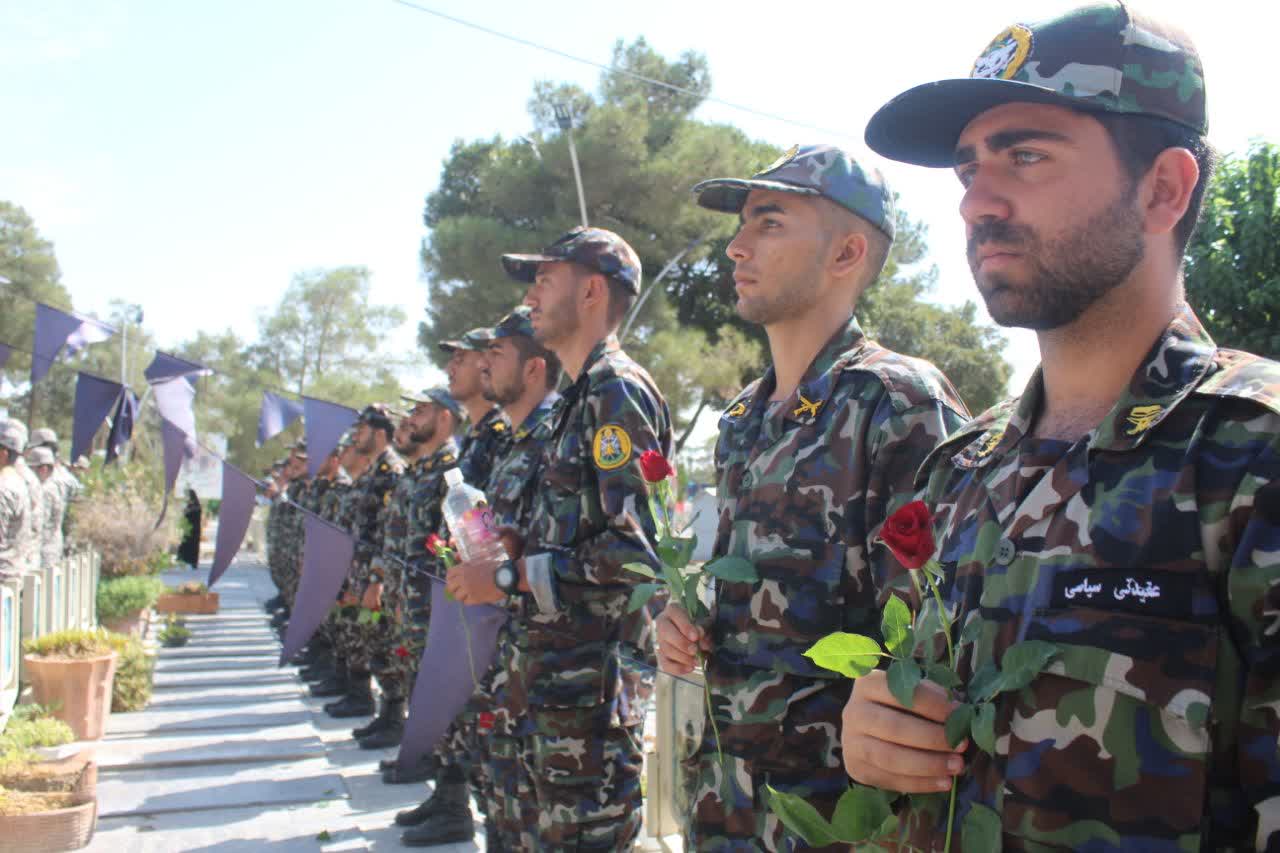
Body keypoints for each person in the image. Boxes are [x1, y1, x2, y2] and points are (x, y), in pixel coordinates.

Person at [841, 4, 1280, 849]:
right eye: (969, 170)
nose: (976, 202)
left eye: (1027, 155)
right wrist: (876, 736)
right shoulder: (957, 473)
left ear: (1163, 188)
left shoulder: (1249, 457)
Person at [653, 146, 969, 851]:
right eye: (743, 225)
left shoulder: (898, 405)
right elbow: (736, 591)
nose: (737, 245)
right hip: (726, 805)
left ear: (846, 252)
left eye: (768, 222)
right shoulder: (742, 420)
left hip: (837, 824)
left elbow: (938, 646)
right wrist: (682, 620)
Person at [495, 226, 672, 850]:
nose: (532, 297)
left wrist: (514, 574)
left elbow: (638, 553)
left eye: (545, 279)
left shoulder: (614, 390)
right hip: (554, 690)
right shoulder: (577, 398)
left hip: (591, 701)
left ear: (593, 290)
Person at [431, 305, 562, 851]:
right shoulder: (510, 443)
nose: (483, 366)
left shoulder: (557, 434)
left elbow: (601, 555)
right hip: (503, 649)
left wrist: (506, 572)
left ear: (534, 368)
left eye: (495, 354)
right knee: (504, 807)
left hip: (555, 668)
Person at [325, 405, 405, 719]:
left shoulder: (391, 472)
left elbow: (389, 532)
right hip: (361, 576)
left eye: (362, 429)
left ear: (380, 432)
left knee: (385, 643)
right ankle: (370, 703)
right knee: (369, 637)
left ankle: (393, 714)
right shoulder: (373, 473)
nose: (356, 436)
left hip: (377, 581)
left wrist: (376, 579)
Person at [0, 423, 31, 583]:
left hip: (3, 575)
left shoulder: (3, 488)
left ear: (4, 453)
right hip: (13, 573)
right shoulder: (17, 481)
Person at [26, 446, 65, 573]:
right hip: (48, 546)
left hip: (44, 549)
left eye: (31, 468)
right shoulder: (52, 487)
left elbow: (40, 522)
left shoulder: (45, 490)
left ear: (43, 469)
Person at [178, 488, 202, 569]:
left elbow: (187, 515)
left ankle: (190, 561)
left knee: (190, 546)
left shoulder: (193, 507)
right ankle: (190, 562)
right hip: (193, 530)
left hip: (192, 529)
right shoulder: (196, 506)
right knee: (190, 546)